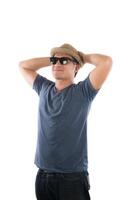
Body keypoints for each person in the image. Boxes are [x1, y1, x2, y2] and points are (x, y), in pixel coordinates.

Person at [19, 43, 112, 200]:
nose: (57, 64)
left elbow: (106, 62)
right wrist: (55, 58)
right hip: (42, 176)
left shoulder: (83, 92)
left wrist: (81, 57)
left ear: (75, 67)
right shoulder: (43, 88)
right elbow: (23, 66)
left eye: (64, 61)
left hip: (72, 179)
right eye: (54, 60)